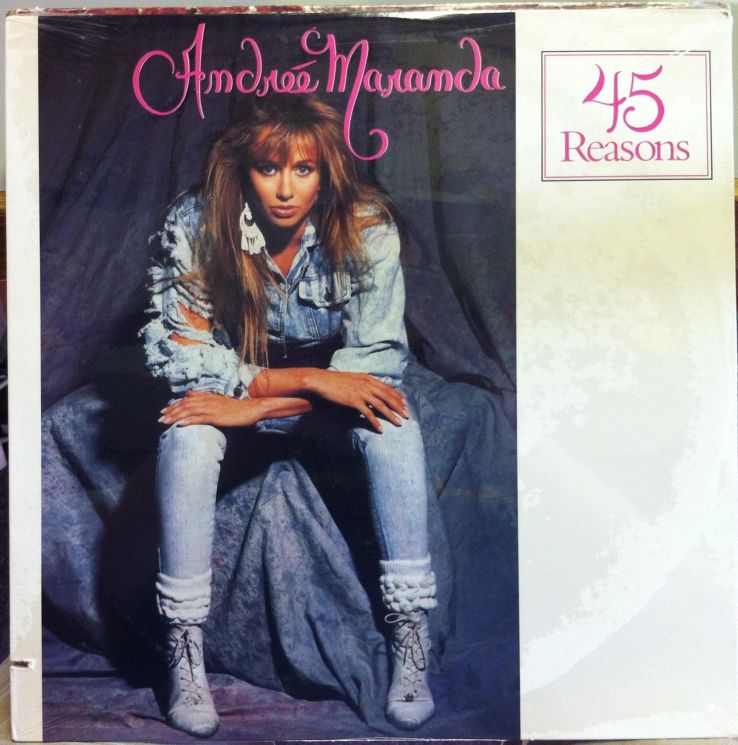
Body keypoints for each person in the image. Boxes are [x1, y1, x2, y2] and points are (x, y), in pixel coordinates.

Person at [140, 94, 437, 738]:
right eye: (268, 168)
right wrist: (301, 380)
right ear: (242, 168)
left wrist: (262, 405)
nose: (284, 189)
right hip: (251, 384)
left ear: (325, 171)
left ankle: (410, 637)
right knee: (187, 436)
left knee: (396, 428)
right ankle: (184, 650)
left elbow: (373, 373)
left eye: (303, 169)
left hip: (300, 400)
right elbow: (185, 359)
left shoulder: (367, 226)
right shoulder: (196, 222)